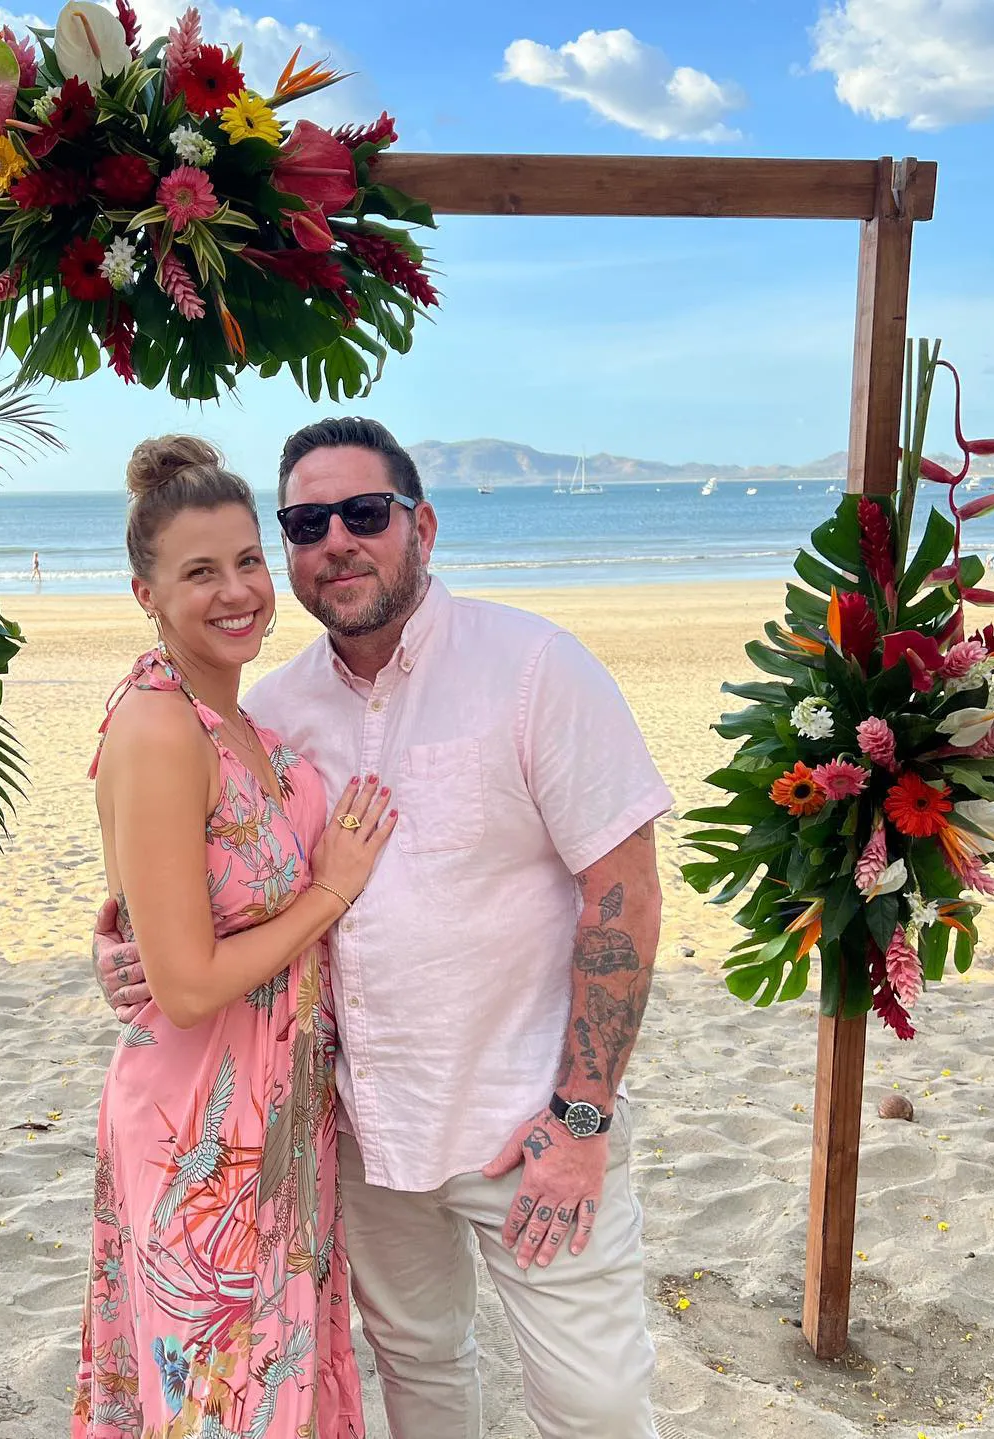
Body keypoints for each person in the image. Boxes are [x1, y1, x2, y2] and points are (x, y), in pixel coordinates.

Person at [96, 418, 673, 1438]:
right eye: (306, 524)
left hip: (525, 1125)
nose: (337, 541)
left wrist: (583, 1115)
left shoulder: (534, 666)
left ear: (423, 525)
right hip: (357, 1128)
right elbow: (205, 867)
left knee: (598, 1401)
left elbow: (624, 892)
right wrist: (123, 939)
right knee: (420, 1371)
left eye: (365, 513)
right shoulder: (275, 707)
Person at [73, 435, 395, 1439]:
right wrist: (331, 891)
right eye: (200, 572)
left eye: (249, 560)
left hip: (281, 1109)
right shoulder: (160, 726)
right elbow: (185, 984)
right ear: (147, 594)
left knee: (277, 1391)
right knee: (220, 1405)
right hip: (200, 1132)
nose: (237, 591)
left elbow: (176, 893)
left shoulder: (237, 716)